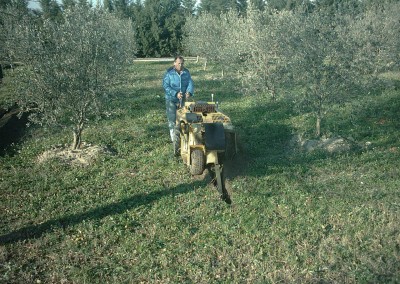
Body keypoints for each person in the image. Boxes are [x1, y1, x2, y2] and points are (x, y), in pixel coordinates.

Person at [162, 55, 194, 145]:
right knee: (172, 119)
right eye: (179, 63)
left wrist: (189, 92)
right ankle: (174, 140)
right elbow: (165, 86)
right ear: (174, 63)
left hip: (183, 100)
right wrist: (175, 93)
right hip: (171, 99)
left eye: (182, 63)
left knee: (184, 118)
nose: (180, 65)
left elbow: (190, 83)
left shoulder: (186, 72)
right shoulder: (169, 73)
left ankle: (185, 137)